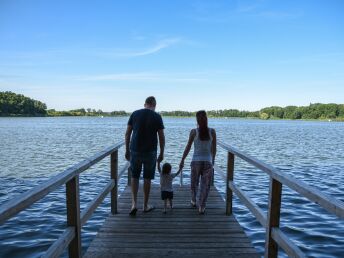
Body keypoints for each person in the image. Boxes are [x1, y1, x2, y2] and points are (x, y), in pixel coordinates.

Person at [125, 96, 165, 215]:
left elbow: (127, 134)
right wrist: (162, 153)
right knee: (147, 178)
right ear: (154, 105)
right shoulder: (157, 116)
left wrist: (127, 150)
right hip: (150, 151)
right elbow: (161, 137)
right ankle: (145, 205)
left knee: (135, 176)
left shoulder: (135, 114)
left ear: (145, 104)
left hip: (135, 150)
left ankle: (133, 204)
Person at [179, 110, 216, 214]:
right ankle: (202, 207)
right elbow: (214, 149)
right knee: (205, 185)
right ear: (206, 119)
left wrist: (182, 159)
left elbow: (188, 147)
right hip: (208, 162)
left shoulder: (193, 132)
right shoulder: (212, 131)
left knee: (194, 183)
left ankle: (194, 200)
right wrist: (212, 161)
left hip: (196, 161)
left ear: (197, 120)